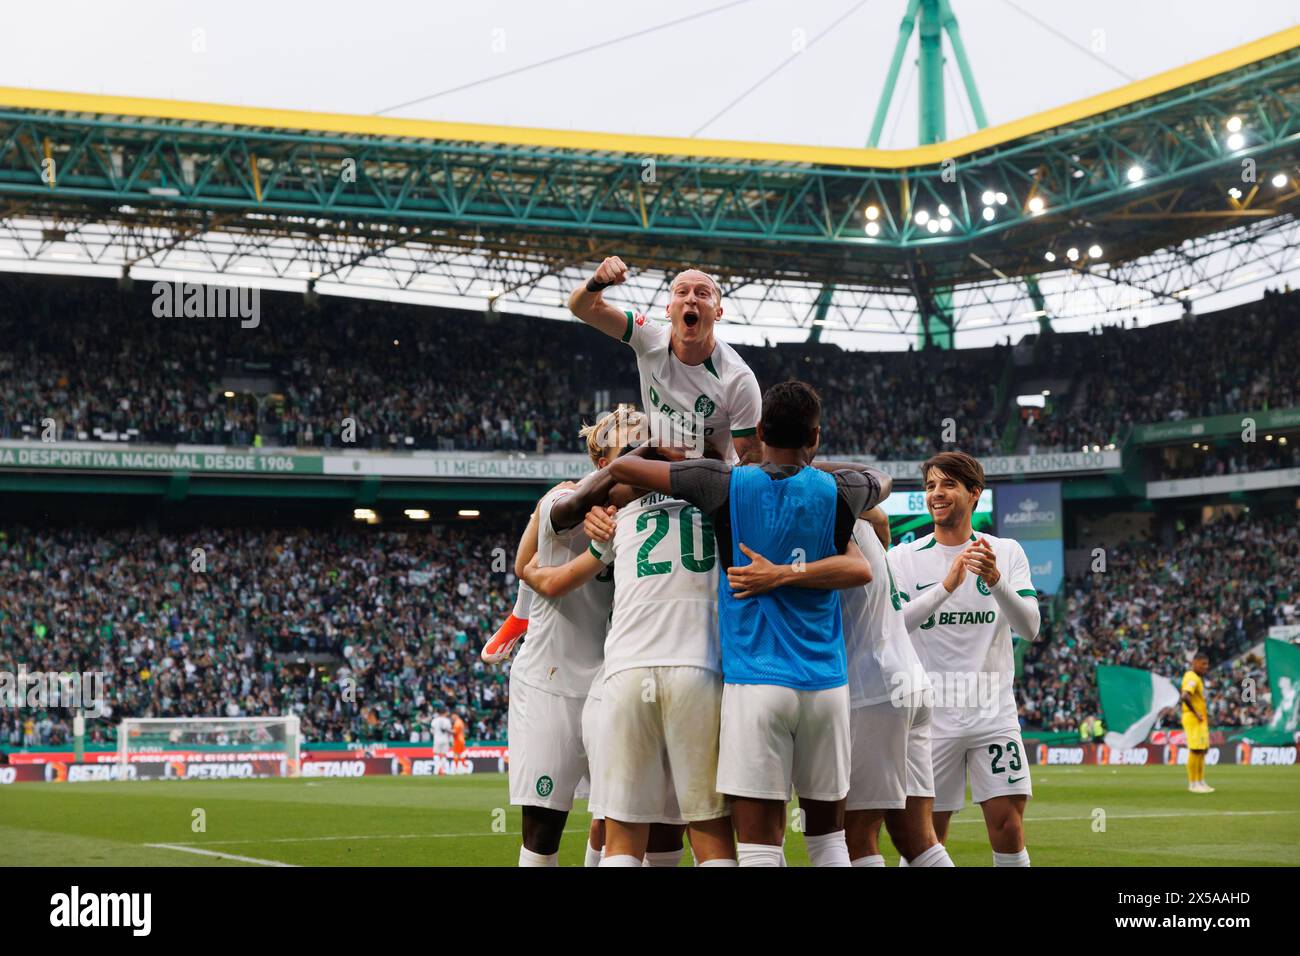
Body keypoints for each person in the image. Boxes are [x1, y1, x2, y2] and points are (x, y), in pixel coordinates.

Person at [606, 381, 890, 866]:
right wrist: (809, 471)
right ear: (816, 436)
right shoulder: (840, 491)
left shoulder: (721, 482)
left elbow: (623, 467)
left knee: (760, 847)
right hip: (826, 686)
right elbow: (883, 479)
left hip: (754, 684)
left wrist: (663, 447)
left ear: (758, 430)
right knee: (829, 841)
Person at [520, 432, 739, 866]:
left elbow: (542, 574)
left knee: (619, 832)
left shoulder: (620, 517)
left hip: (622, 675)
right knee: (708, 830)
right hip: (695, 670)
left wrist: (529, 571)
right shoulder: (718, 500)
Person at [888, 451, 1041, 867]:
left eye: (948, 484)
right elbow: (893, 627)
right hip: (930, 717)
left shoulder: (1005, 552)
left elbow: (1030, 627)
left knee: (1008, 826)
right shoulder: (902, 558)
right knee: (926, 835)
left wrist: (995, 580)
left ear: (974, 493)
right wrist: (946, 586)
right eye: (931, 485)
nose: (937, 493)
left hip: (993, 713)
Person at [506, 410, 629, 867]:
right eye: (628, 453)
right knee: (544, 831)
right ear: (601, 460)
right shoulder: (564, 499)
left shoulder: (643, 514)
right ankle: (517, 619)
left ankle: (517, 616)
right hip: (551, 683)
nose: (641, 461)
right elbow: (559, 514)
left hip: (610, 681)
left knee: (615, 816)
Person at [840, 507, 954, 868]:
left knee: (855, 833)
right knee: (915, 836)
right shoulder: (870, 532)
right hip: (909, 684)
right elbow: (882, 516)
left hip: (871, 691)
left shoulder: (826, 536)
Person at [568, 255, 762, 463]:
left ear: (718, 312)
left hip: (710, 483)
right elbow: (581, 308)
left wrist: (696, 463)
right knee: (591, 484)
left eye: (702, 293)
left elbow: (752, 462)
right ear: (668, 310)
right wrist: (597, 282)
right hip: (660, 474)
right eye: (682, 292)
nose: (691, 299)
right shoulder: (647, 336)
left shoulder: (738, 379)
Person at [1181, 651, 1214, 793]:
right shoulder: (1191, 677)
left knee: (1202, 750)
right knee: (1195, 750)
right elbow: (1185, 696)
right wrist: (1196, 713)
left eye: (1207, 664)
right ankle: (1193, 783)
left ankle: (1200, 781)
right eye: (1203, 663)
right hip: (1193, 717)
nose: (1206, 667)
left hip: (1200, 718)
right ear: (1194, 663)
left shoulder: (1198, 678)